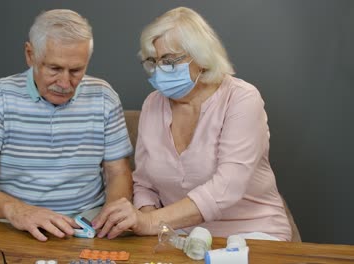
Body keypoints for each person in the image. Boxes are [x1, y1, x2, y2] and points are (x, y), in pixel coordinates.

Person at [91, 6, 292, 241]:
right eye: (153, 62)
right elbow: (145, 184)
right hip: (180, 237)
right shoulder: (153, 104)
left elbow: (227, 187)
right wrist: (150, 225)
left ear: (202, 57)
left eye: (169, 60)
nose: (159, 71)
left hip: (252, 233)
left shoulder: (242, 98)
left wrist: (150, 221)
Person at [0, 9, 133, 242]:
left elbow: (118, 172)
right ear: (30, 54)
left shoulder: (104, 96)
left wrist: (111, 216)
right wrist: (17, 210)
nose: (65, 83)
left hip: (86, 219)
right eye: (55, 69)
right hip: (12, 219)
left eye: (76, 70)